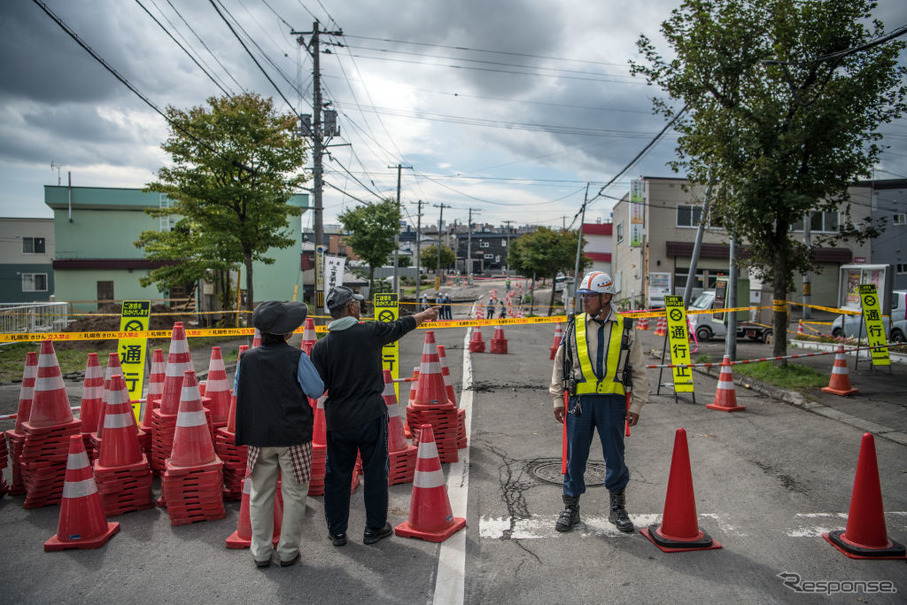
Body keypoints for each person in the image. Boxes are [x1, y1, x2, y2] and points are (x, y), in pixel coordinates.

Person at [311, 286, 439, 547]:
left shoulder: (321, 347)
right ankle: (375, 527)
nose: (358, 306)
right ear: (350, 308)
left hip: (339, 421)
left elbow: (319, 387)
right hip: (371, 415)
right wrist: (425, 315)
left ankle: (337, 532)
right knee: (375, 472)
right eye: (356, 303)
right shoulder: (369, 332)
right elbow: (399, 326)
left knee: (337, 476)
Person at [549, 271, 649, 534]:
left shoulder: (626, 328)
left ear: (606, 297)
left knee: (615, 457)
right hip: (579, 403)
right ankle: (571, 508)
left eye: (590, 295)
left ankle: (617, 509)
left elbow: (638, 369)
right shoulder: (574, 325)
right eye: (583, 295)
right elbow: (560, 364)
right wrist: (558, 397)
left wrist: (636, 404)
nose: (585, 300)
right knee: (575, 458)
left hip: (613, 404)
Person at [234, 301, 325, 568]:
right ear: (287, 332)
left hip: (259, 435)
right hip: (293, 436)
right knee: (295, 493)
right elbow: (316, 390)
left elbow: (240, 391)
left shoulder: (246, 358)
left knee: (260, 494)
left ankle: (261, 552)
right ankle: (288, 551)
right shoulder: (297, 358)